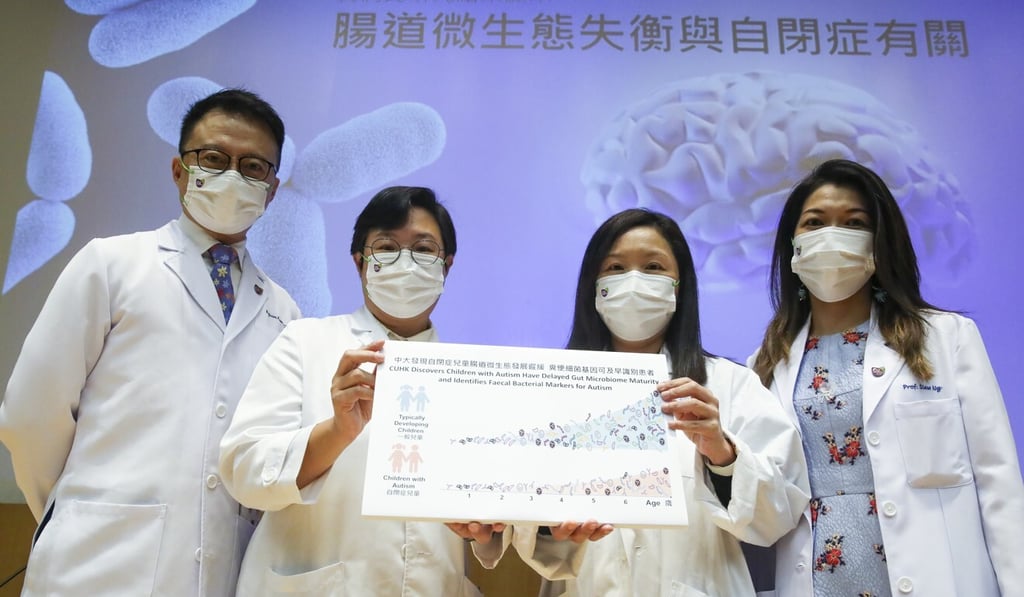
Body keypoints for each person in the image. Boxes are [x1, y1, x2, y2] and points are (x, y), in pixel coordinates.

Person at [0, 88, 300, 596]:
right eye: (213, 158)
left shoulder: (282, 310)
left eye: (253, 167)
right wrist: (79, 510)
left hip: (219, 570)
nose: (232, 177)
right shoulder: (111, 264)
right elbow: (31, 417)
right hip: (94, 567)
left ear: (270, 189)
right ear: (179, 170)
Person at [468, 208, 809, 595]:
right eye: (615, 267)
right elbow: (532, 528)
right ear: (594, 286)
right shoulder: (555, 389)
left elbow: (777, 514)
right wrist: (552, 527)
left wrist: (723, 454)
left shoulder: (727, 385)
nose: (634, 281)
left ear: (679, 286)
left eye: (653, 267)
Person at [749, 158, 1024, 596]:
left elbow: (998, 482)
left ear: (879, 243)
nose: (831, 235)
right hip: (816, 581)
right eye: (814, 223)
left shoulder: (945, 339)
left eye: (853, 222)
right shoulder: (764, 367)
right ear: (793, 245)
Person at [219, 186, 494, 596]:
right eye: (386, 247)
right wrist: (338, 431)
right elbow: (244, 470)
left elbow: (486, 512)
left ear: (446, 266)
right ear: (360, 263)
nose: (405, 262)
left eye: (423, 249)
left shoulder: (470, 378)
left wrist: (483, 526)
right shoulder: (304, 342)